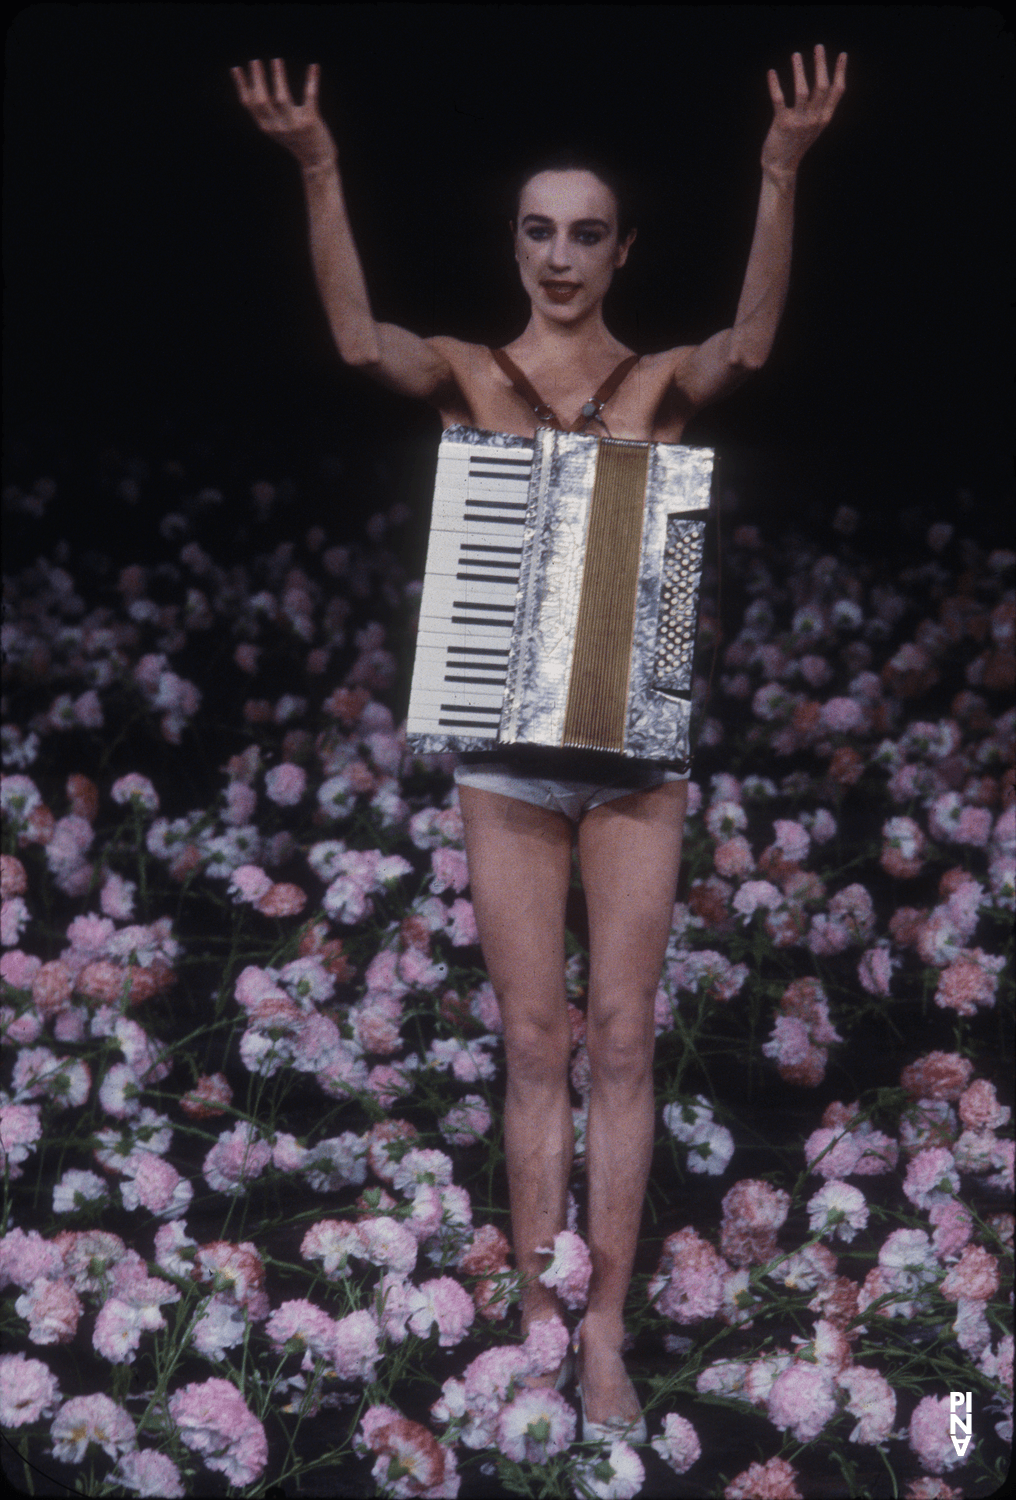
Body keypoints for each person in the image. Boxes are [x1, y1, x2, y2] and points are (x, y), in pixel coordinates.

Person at [231, 47, 847, 1442]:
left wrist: (779, 169)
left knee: (622, 1041)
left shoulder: (659, 381)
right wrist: (321, 166)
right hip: (507, 762)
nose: (560, 254)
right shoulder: (470, 372)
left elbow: (750, 344)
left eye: (585, 232)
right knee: (530, 1038)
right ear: (515, 242)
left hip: (633, 764)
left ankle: (608, 1330)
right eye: (537, 229)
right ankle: (533, 1316)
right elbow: (353, 343)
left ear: (622, 249)